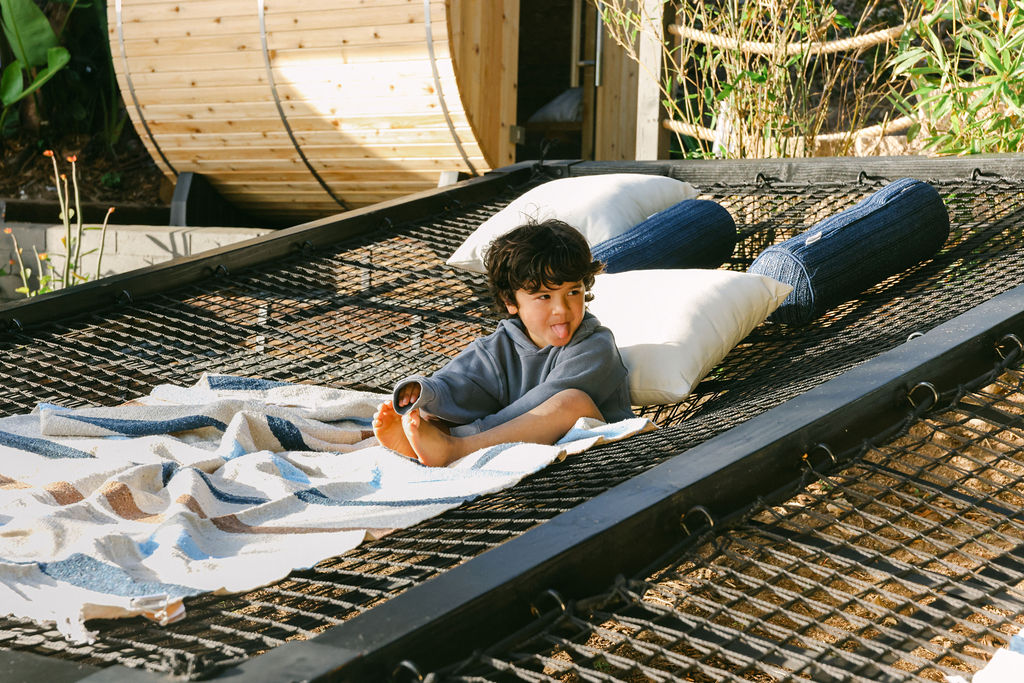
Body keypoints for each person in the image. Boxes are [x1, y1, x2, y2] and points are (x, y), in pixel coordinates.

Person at [372, 219, 633, 467]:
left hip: (601, 451)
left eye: (573, 292)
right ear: (510, 301)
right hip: (530, 453)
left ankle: (455, 450)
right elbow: (461, 379)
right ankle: (417, 444)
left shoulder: (595, 346)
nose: (562, 309)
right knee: (432, 418)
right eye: (544, 296)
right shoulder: (499, 346)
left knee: (571, 402)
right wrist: (425, 392)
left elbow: (546, 400)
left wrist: (464, 435)